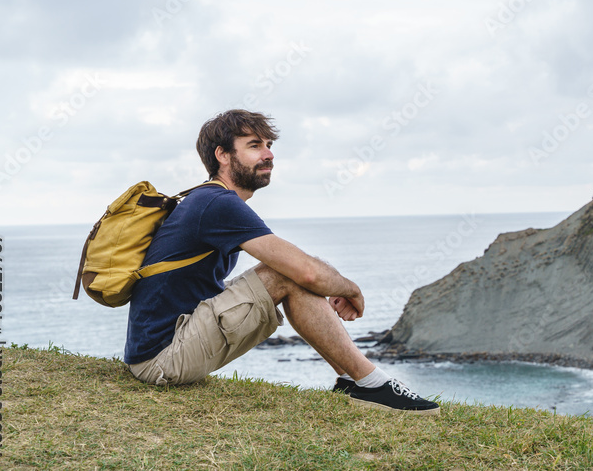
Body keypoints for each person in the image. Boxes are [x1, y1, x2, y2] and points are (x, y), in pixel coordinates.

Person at [123, 109, 439, 415]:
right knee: (288, 275)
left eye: (269, 146)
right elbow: (305, 272)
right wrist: (352, 289)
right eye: (254, 146)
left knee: (293, 272)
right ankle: (371, 383)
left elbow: (305, 269)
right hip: (161, 361)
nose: (269, 155)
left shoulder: (208, 198)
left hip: (167, 345)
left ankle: (351, 379)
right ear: (222, 155)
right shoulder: (216, 203)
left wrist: (327, 279)